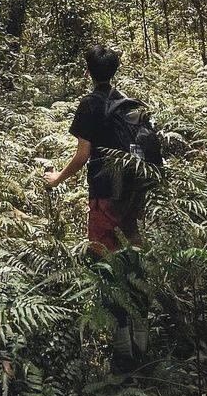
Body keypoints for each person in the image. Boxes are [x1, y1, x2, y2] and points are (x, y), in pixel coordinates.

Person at [43, 43, 142, 255]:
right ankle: (141, 285)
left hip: (105, 187)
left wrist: (57, 178)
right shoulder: (126, 102)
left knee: (103, 252)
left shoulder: (90, 104)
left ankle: (113, 286)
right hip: (132, 184)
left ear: (88, 72)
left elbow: (82, 155)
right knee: (133, 245)